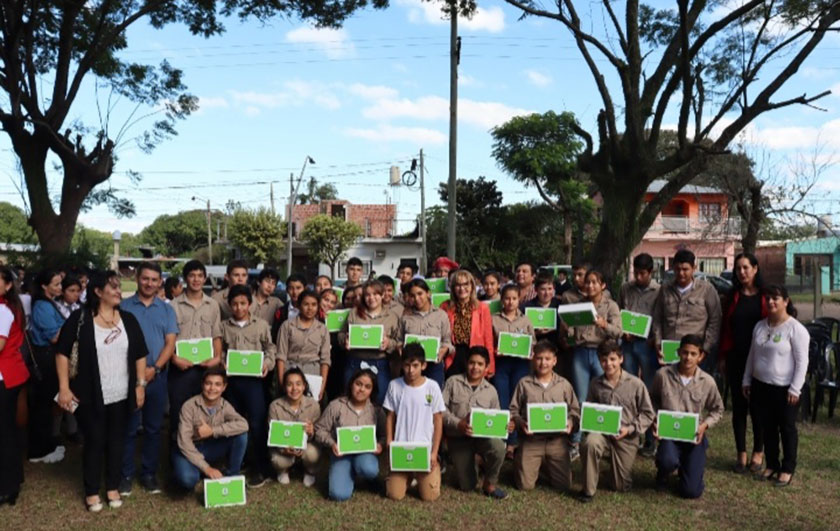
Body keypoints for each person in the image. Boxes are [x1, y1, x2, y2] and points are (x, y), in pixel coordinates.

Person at [56, 270, 148, 512]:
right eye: (113, 287)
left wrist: (140, 385)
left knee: (117, 441)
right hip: (90, 395)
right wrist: (64, 388)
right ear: (98, 292)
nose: (119, 291)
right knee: (95, 441)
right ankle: (91, 491)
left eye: (119, 286)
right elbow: (62, 353)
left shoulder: (128, 319)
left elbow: (140, 354)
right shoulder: (80, 319)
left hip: (122, 394)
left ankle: (113, 487)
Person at [119, 262, 178, 496]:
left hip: (158, 377)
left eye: (154, 280)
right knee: (128, 428)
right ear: (137, 278)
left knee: (154, 429)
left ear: (160, 282)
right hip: (128, 378)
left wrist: (155, 367)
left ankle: (148, 474)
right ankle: (125, 475)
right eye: (145, 279)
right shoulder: (123, 307)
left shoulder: (166, 310)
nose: (150, 283)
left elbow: (170, 343)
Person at [743, 285, 807, 488]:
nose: (771, 302)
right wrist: (747, 379)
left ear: (786, 301)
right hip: (761, 386)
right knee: (767, 427)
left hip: (785, 389)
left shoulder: (796, 329)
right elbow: (752, 355)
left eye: (775, 298)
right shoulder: (760, 326)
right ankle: (772, 464)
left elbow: (802, 362)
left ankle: (787, 468)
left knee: (786, 428)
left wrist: (795, 388)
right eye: (768, 298)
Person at [578, 340, 655, 503]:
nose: (608, 364)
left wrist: (630, 429)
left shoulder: (636, 384)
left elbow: (648, 413)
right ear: (599, 360)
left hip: (626, 434)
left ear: (621, 359)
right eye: (604, 360)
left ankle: (613, 471)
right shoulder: (595, 384)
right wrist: (590, 425)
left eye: (613, 359)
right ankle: (588, 490)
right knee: (590, 442)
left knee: (620, 486)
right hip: (602, 433)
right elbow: (590, 410)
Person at [652, 334, 724, 499]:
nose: (688, 357)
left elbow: (718, 410)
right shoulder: (662, 375)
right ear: (678, 352)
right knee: (667, 460)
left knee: (691, 492)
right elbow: (652, 400)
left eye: (693, 354)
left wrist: (704, 426)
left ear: (701, 356)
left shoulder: (707, 381)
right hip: (669, 435)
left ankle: (688, 468)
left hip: (693, 438)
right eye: (685, 352)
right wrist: (655, 421)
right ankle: (663, 472)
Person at [221, 284, 276, 488]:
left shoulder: (260, 325)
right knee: (234, 421)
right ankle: (236, 462)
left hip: (254, 382)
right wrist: (223, 362)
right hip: (232, 382)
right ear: (229, 305)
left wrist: (267, 364)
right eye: (234, 304)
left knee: (257, 423)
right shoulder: (224, 326)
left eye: (243, 303)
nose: (239, 308)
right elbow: (221, 350)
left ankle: (261, 467)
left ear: (250, 305)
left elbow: (270, 348)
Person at [509, 340, 580, 492]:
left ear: (554, 361)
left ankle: (547, 465)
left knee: (564, 486)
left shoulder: (564, 385)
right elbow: (513, 411)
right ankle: (523, 460)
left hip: (557, 442)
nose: (543, 363)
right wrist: (521, 423)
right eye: (539, 358)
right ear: (533, 359)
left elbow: (575, 411)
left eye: (547, 359)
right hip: (531, 440)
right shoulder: (524, 383)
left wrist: (570, 422)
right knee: (525, 486)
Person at [719, 253, 767, 474]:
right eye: (738, 268)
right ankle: (741, 454)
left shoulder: (767, 296)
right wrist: (722, 357)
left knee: (758, 408)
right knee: (739, 407)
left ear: (755, 269)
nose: (742, 272)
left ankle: (758, 452)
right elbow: (724, 328)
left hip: (761, 360)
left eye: (746, 267)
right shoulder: (731, 297)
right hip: (736, 358)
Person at [442, 346, 508, 499]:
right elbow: (441, 410)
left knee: (499, 447)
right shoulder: (452, 382)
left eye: (480, 364)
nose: (475, 367)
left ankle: (489, 483)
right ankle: (473, 462)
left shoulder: (491, 390)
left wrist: (505, 426)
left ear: (487, 367)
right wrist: (458, 424)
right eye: (472, 363)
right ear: (466, 363)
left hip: (481, 438)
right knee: (468, 486)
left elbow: (496, 417)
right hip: (458, 439)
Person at [568, 269, 621, 452]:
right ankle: (576, 440)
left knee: (604, 396)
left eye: (594, 282)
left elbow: (618, 332)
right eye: (588, 282)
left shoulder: (611, 306)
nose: (590, 285)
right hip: (581, 353)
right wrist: (568, 328)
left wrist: (604, 324)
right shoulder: (578, 304)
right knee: (581, 398)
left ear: (602, 285)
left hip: (602, 355)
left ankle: (606, 438)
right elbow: (571, 332)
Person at [170, 260, 223, 443]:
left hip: (205, 368)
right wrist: (174, 358)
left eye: (200, 275)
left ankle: (202, 453)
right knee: (180, 412)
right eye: (192, 275)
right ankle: (178, 454)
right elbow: (168, 339)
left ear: (205, 278)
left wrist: (217, 359)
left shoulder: (212, 305)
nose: (196, 279)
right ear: (185, 279)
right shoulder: (173, 306)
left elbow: (217, 335)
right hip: (181, 369)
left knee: (204, 412)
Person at [384, 344, 445, 502]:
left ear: (424, 365)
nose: (411, 370)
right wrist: (390, 441)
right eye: (407, 365)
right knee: (394, 495)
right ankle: (407, 476)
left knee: (429, 496)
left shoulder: (432, 387)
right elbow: (390, 416)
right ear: (402, 365)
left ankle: (431, 470)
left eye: (415, 365)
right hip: (401, 448)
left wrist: (433, 452)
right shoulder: (394, 386)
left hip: (424, 449)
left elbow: (438, 420)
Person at [172, 367, 248, 491]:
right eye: (208, 383)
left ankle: (232, 475)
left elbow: (244, 424)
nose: (212, 389)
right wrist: (207, 468)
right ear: (202, 385)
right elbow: (184, 443)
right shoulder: (189, 406)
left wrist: (213, 431)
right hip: (187, 449)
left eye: (218, 384)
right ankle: (194, 469)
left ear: (224, 387)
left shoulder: (225, 405)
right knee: (188, 480)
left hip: (209, 447)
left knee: (241, 435)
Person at [315, 368, 384, 501]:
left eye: (367, 387)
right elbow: (319, 429)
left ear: (372, 390)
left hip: (365, 454)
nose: (361, 389)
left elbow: (384, 435)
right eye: (358, 384)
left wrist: (380, 445)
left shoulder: (376, 411)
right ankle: (346, 473)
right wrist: (332, 444)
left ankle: (364, 475)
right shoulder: (336, 406)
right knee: (338, 495)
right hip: (341, 455)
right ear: (352, 383)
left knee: (369, 469)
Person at [618, 253, 660, 456]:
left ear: (651, 272)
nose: (638, 277)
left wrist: (654, 339)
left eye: (642, 273)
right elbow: (620, 312)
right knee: (628, 389)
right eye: (636, 272)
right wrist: (622, 330)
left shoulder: (658, 291)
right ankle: (630, 434)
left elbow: (659, 318)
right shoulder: (626, 288)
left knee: (649, 391)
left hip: (647, 344)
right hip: (628, 344)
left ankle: (651, 439)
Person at [652, 249, 722, 369]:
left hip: (696, 354)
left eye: (685, 269)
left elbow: (715, 321)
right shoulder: (665, 289)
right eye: (677, 269)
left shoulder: (706, 290)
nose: (681, 273)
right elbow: (657, 318)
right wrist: (658, 342)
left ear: (694, 268)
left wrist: (705, 349)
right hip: (670, 352)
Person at [27, 268, 66, 464]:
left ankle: (46, 444)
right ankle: (39, 449)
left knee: (49, 403)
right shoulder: (42, 306)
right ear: (44, 286)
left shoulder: (50, 303)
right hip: (46, 358)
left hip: (51, 357)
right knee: (42, 404)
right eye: (56, 284)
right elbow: (54, 336)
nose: (60, 288)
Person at [492, 284, 536, 457]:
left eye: (514, 299)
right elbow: (489, 341)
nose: (510, 302)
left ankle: (514, 442)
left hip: (520, 364)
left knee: (516, 401)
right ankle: (503, 440)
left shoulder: (526, 320)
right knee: (502, 400)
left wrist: (530, 352)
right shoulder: (493, 319)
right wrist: (495, 350)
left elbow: (533, 342)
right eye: (507, 298)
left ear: (519, 300)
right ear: (502, 300)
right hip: (501, 364)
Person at [339, 280, 398, 404]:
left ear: (382, 295)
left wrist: (388, 344)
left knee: (380, 399)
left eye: (375, 294)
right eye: (367, 295)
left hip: (379, 362)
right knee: (350, 399)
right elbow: (341, 334)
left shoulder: (392, 316)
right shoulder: (354, 313)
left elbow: (397, 341)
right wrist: (345, 340)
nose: (371, 298)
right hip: (354, 362)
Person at [0, 265, 30, 506]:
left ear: (8, 285)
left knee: (5, 432)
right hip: (9, 376)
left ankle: (8, 486)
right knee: (7, 431)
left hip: (4, 377)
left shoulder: (2, 310)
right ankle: (13, 481)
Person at [269, 368, 321, 487]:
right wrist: (283, 449)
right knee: (278, 460)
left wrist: (312, 431)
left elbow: (319, 433)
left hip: (306, 445)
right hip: (284, 446)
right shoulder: (275, 406)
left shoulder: (313, 405)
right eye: (289, 384)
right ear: (284, 387)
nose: (294, 389)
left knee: (313, 454)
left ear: (304, 386)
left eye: (298, 384)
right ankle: (284, 470)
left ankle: (309, 471)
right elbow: (271, 434)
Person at [439, 269, 495, 379]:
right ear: (453, 288)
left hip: (475, 354)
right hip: (454, 354)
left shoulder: (482, 308)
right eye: (458, 285)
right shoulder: (445, 307)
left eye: (465, 284)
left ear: (472, 287)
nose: (462, 288)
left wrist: (490, 365)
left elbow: (488, 339)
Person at [398, 279, 454, 389]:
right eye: (413, 296)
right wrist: (399, 348)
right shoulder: (405, 317)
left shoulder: (441, 315)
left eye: (420, 294)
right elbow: (399, 340)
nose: (417, 299)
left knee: (432, 399)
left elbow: (448, 342)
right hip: (411, 366)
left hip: (434, 366)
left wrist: (445, 350)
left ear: (428, 293)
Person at [275, 290, 330, 400]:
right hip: (291, 369)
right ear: (299, 306)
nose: (310, 308)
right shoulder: (287, 326)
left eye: (314, 305)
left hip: (313, 372)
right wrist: (282, 382)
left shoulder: (322, 329)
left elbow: (325, 360)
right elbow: (281, 356)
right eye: (306, 304)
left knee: (311, 409)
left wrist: (322, 386)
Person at [272, 273, 306, 340]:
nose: (295, 292)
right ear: (287, 290)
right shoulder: (281, 312)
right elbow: (275, 335)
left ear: (305, 289)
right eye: (291, 288)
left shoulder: (313, 310)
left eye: (298, 288)